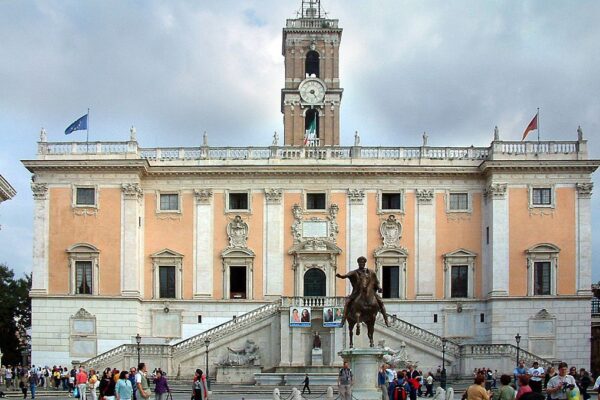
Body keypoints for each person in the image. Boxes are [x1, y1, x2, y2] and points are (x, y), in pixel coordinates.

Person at [336, 256, 390, 327]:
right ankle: (343, 321)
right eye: (360, 262)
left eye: (363, 262)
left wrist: (379, 288)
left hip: (370, 292)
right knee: (347, 303)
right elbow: (346, 275)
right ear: (358, 263)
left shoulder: (371, 272)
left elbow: (376, 282)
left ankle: (386, 320)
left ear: (365, 263)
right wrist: (340, 276)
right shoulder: (354, 272)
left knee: (381, 302)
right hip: (357, 292)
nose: (361, 264)